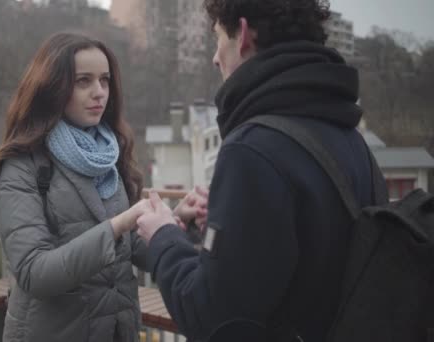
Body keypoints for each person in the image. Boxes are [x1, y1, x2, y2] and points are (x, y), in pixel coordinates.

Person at [136, 0, 387, 341]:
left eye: (217, 38)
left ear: (241, 35)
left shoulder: (252, 149)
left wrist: (163, 235)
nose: (214, 57)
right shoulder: (354, 143)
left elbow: (213, 318)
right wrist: (225, 230)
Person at [0, 32, 152, 342]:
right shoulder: (21, 165)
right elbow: (35, 272)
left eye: (105, 80)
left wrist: (176, 225)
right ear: (53, 87)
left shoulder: (108, 154)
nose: (99, 92)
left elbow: (131, 247)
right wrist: (114, 227)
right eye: (83, 81)